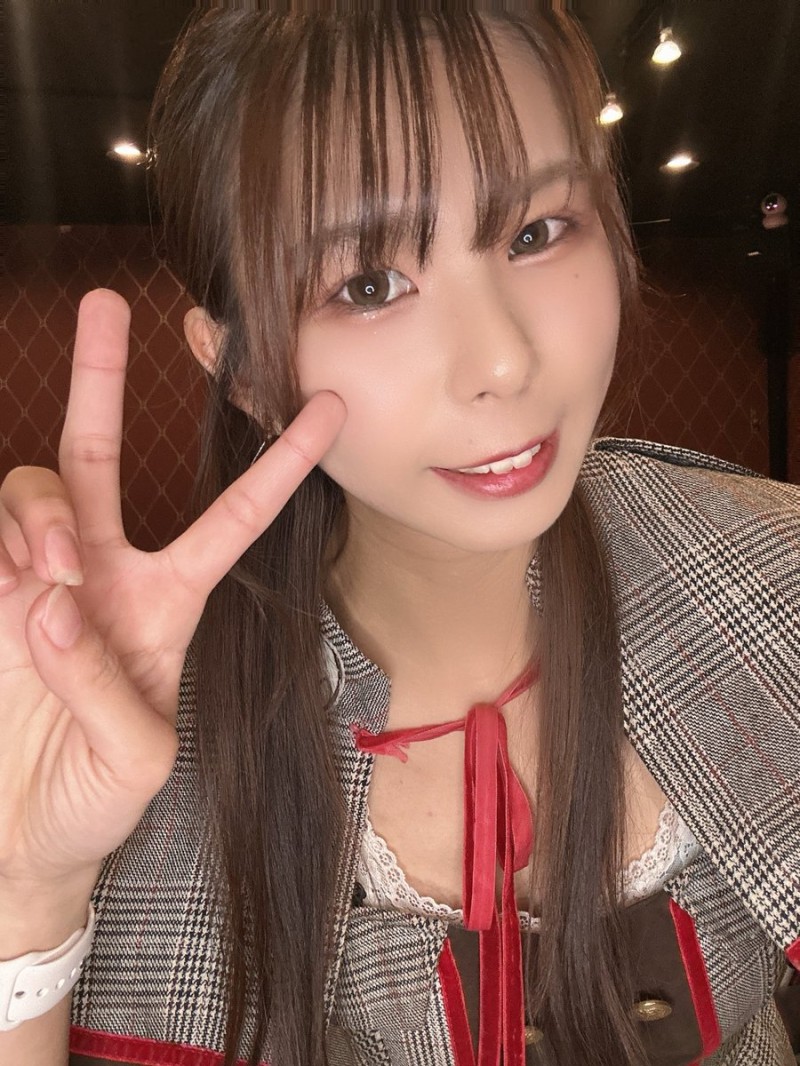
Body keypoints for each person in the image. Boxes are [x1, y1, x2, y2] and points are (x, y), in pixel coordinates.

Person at [0, 8, 798, 1066]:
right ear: (244, 372)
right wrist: (26, 891)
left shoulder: (769, 574)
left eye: (536, 231)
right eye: (368, 286)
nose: (502, 361)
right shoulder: (152, 740)